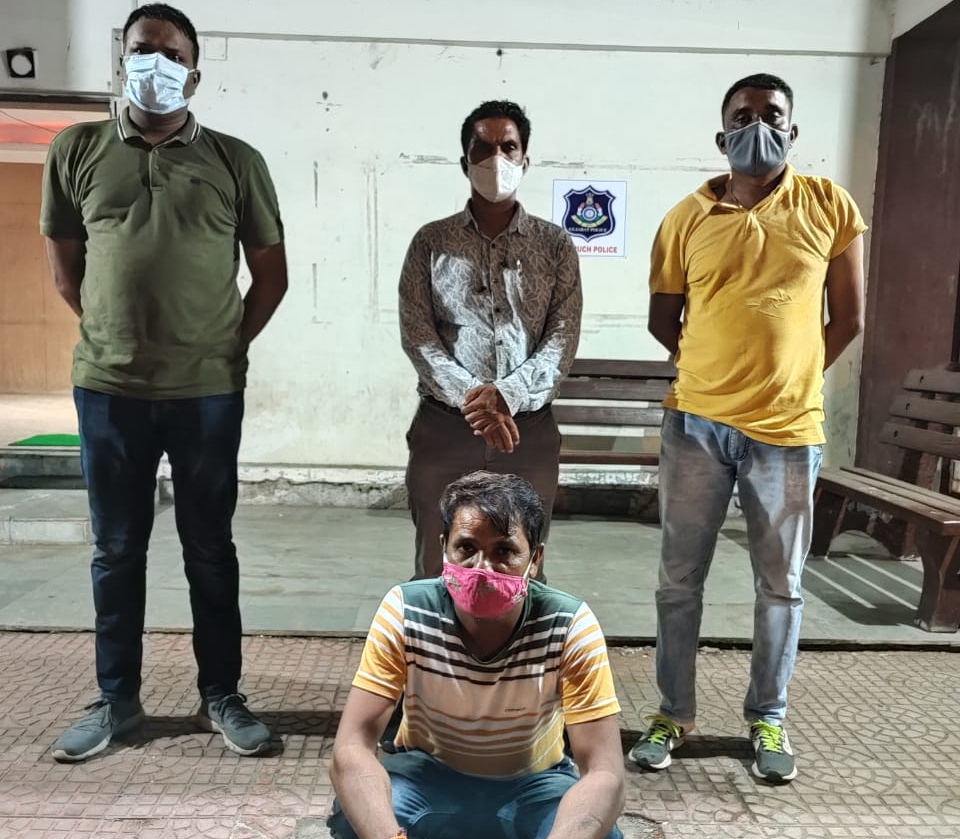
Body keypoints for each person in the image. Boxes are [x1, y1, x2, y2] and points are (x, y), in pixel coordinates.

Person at [40, 3, 288, 762]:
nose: (157, 62)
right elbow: (67, 269)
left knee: (209, 546)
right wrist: (115, 337)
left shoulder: (236, 160)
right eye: (143, 48)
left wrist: (224, 346)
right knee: (116, 548)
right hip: (109, 389)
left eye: (172, 53)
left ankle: (222, 695)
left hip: (206, 392)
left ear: (195, 73)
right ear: (123, 60)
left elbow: (271, 275)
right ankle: (116, 700)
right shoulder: (76, 148)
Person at [628, 73, 866, 783]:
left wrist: (789, 376)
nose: (757, 126)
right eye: (742, 116)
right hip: (696, 426)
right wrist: (715, 371)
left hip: (788, 431)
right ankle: (673, 712)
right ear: (721, 135)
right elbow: (663, 319)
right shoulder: (685, 217)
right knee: (679, 581)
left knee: (781, 586)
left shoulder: (830, 205)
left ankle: (768, 715)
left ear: (793, 131)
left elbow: (849, 317)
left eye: (772, 114)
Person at [328, 471, 624, 839]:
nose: (482, 569)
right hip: (426, 774)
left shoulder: (570, 624)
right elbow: (351, 746)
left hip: (534, 783)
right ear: (444, 549)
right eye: (466, 548)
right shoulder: (405, 609)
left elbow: (604, 772)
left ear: (535, 559)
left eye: (504, 551)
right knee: (358, 815)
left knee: (596, 830)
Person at [399, 100, 582, 580]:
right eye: (482, 149)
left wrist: (507, 395)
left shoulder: (555, 245)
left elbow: (562, 337)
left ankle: (520, 633)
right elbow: (419, 337)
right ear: (465, 163)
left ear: (525, 159)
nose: (496, 159)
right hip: (445, 430)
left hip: (527, 431)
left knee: (520, 564)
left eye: (508, 147)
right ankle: (436, 633)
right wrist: (477, 401)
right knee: (437, 561)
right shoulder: (431, 243)